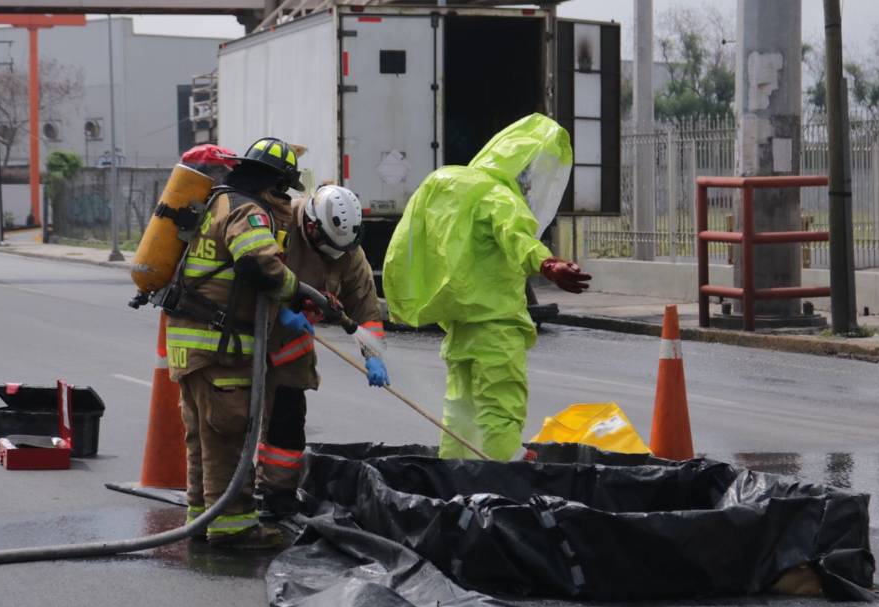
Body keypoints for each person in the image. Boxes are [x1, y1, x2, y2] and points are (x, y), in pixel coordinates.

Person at [382, 114, 591, 461]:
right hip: (496, 328)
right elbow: (517, 237)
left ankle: (454, 492)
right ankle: (499, 496)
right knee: (500, 417)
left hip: (461, 328)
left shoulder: (454, 190)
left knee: (458, 420)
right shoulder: (498, 197)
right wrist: (547, 263)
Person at [166, 137, 304, 549]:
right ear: (275, 183)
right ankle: (234, 528)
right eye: (284, 189)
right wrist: (297, 291)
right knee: (228, 437)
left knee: (202, 439)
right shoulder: (248, 210)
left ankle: (201, 517)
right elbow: (259, 263)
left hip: (188, 343)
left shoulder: (213, 201)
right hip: (219, 347)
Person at [258, 184, 388, 520]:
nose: (335, 256)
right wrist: (278, 310)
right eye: (328, 248)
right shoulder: (277, 224)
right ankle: (235, 496)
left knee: (286, 425)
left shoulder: (347, 251)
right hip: (249, 341)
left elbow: (366, 311)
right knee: (236, 422)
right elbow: (245, 276)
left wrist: (373, 356)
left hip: (290, 352)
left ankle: (278, 495)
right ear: (313, 227)